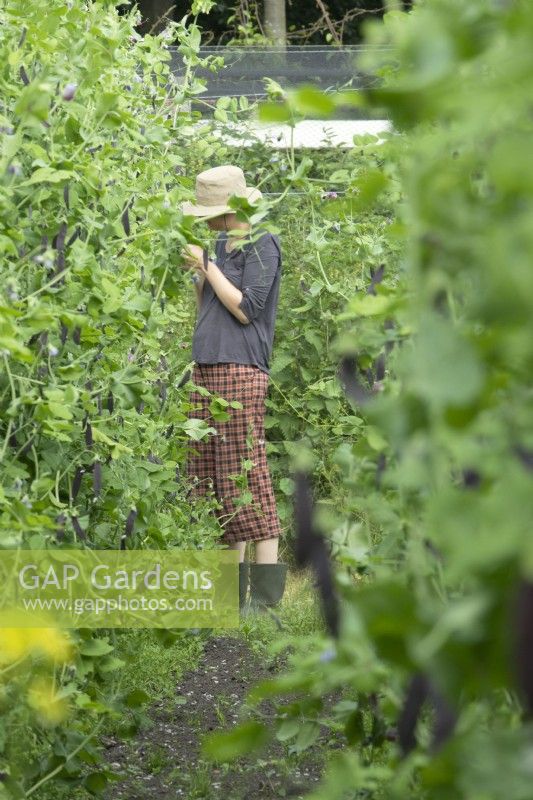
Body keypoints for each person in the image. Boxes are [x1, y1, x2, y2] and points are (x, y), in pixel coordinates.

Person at [180, 165, 287, 614]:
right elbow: (207, 306)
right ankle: (226, 600)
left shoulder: (264, 243)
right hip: (207, 368)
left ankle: (263, 604)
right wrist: (202, 270)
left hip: (241, 371)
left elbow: (246, 310)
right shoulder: (222, 243)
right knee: (213, 483)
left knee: (248, 477)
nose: (207, 221)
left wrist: (207, 264)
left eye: (212, 213)